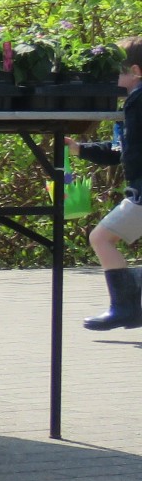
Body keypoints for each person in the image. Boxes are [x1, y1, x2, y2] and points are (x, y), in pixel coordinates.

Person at [69, 37, 142, 330]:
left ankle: (125, 307)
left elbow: (130, 151)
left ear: (135, 71)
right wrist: (81, 149)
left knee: (101, 238)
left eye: (118, 72)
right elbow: (122, 149)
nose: (114, 79)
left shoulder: (138, 100)